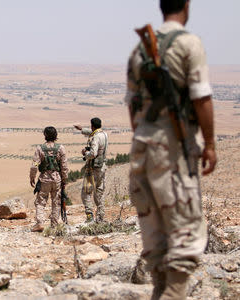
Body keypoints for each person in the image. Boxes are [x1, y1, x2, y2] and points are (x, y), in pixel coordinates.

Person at [125, 0, 217, 299]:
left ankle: (162, 291)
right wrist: (210, 144)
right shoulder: (189, 44)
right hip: (174, 148)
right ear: (187, 6)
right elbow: (202, 98)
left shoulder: (139, 50)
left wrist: (146, 136)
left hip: (142, 146)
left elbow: (133, 106)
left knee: (155, 232)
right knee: (185, 230)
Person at [29, 126, 68, 232]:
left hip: (44, 179)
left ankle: (40, 223)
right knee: (56, 202)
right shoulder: (60, 148)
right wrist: (64, 179)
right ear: (56, 136)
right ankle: (54, 225)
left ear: (45, 135)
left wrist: (32, 177)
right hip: (57, 180)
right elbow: (64, 166)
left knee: (40, 202)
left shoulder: (40, 148)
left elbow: (35, 165)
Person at [74, 117, 108, 223]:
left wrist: (85, 153)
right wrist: (81, 129)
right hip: (102, 167)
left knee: (86, 193)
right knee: (99, 192)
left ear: (92, 125)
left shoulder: (96, 138)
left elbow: (93, 153)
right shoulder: (104, 134)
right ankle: (101, 217)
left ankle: (89, 217)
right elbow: (92, 133)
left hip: (93, 169)